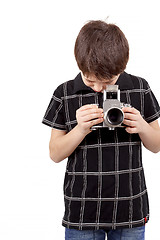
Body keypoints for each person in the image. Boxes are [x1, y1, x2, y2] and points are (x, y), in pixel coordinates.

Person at [42, 20, 160, 240]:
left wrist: (142, 126)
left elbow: (156, 145)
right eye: (89, 79)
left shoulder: (139, 88)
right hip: (82, 211)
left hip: (130, 208)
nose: (97, 88)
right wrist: (80, 129)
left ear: (121, 68)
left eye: (107, 83)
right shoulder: (65, 93)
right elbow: (55, 154)